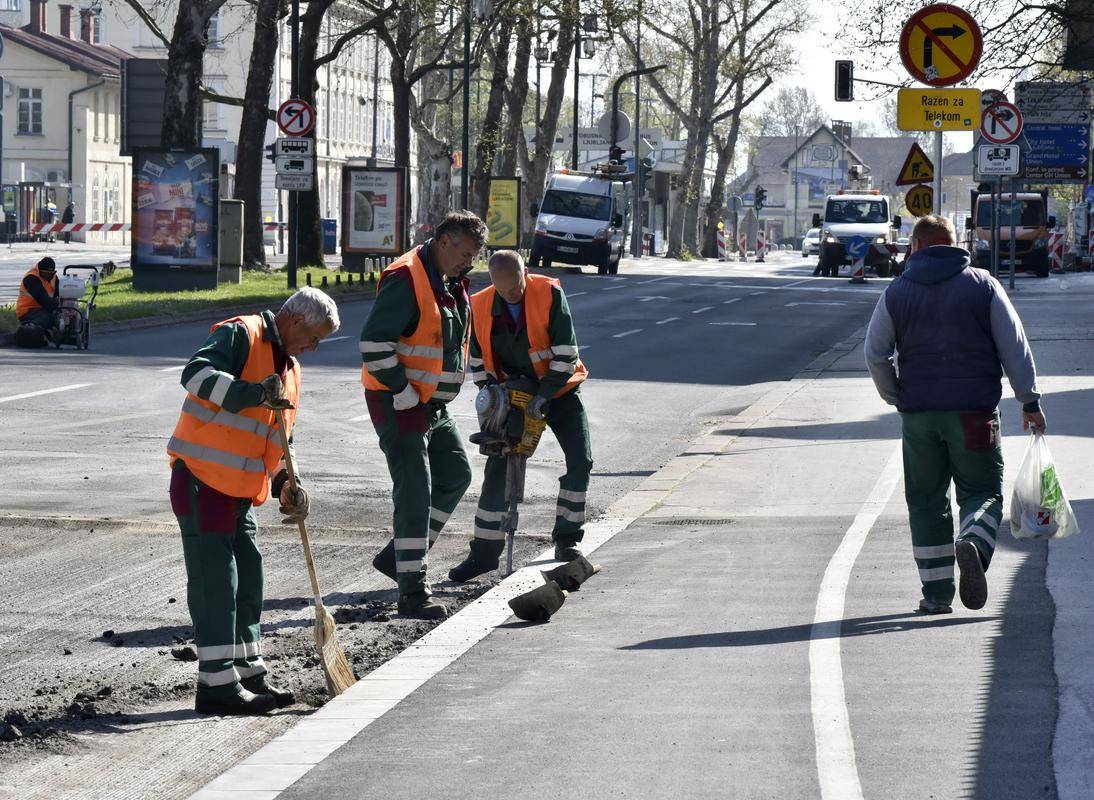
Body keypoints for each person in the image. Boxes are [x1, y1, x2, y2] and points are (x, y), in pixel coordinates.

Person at [167, 287, 339, 715]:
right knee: (216, 586)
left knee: (249, 581)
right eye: (315, 337)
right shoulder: (242, 334)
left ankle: (248, 673)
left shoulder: (291, 369)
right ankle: (216, 685)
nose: (315, 348)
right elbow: (195, 375)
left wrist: (287, 482)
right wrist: (253, 393)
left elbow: (280, 438)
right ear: (295, 321)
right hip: (202, 483)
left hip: (240, 493)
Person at [864, 214, 1046, 615]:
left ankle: (935, 594)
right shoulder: (983, 285)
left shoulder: (896, 292)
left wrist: (896, 395)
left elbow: (875, 353)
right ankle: (974, 543)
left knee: (926, 500)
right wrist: (1029, 401)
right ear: (954, 243)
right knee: (982, 491)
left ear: (916, 247)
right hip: (974, 414)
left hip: (919, 417)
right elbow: (1014, 347)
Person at [360, 211, 487, 620]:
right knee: (416, 489)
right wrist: (401, 391)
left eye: (474, 257)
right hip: (398, 401)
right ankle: (413, 590)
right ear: (444, 240)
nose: (469, 262)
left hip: (431, 405)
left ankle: (400, 557)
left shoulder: (448, 280)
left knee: (455, 475)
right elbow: (374, 344)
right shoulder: (406, 279)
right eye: (465, 254)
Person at [450, 250, 592, 582]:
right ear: (493, 283)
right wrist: (497, 398)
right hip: (513, 394)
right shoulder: (481, 305)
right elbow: (478, 361)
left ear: (524, 273)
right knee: (498, 469)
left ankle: (567, 540)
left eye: (514, 288)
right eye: (503, 290)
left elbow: (567, 354)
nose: (509, 295)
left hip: (560, 391)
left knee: (580, 461)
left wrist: (543, 396)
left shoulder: (549, 293)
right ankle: (483, 555)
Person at [15, 257, 59, 344]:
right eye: (45, 273)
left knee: (58, 315)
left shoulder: (54, 278)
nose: (48, 275)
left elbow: (58, 294)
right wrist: (56, 310)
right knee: (49, 317)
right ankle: (30, 328)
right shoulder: (31, 278)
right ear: (39, 270)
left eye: (51, 273)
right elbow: (44, 300)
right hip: (27, 311)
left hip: (42, 309)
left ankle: (45, 332)